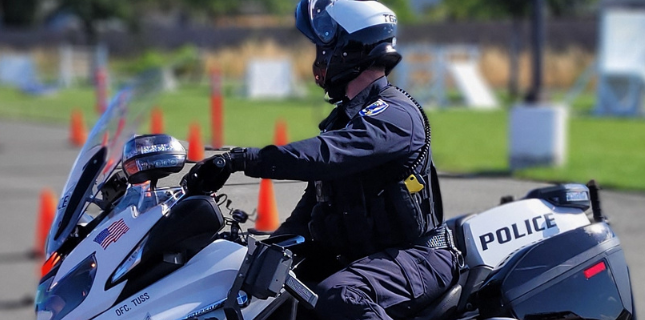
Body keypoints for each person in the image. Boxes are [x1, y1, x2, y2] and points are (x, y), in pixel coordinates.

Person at [181, 1, 453, 319]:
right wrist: (265, 247)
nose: (320, 58)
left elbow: (323, 155)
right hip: (364, 257)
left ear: (350, 48)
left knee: (340, 295)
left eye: (324, 47)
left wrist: (239, 160)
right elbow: (316, 204)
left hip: (416, 258)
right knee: (265, 289)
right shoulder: (347, 119)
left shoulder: (393, 115)